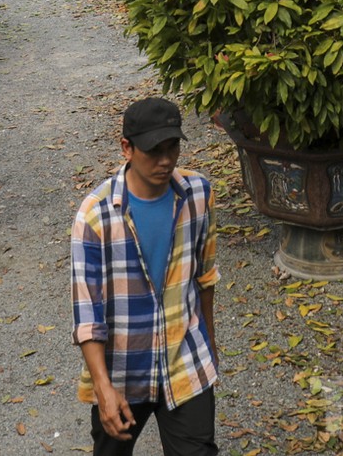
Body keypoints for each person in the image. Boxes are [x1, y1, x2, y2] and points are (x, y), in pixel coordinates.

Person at [71, 97, 220, 456]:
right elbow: (87, 315)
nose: (165, 160)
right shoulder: (95, 216)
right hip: (121, 374)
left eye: (173, 147)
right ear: (127, 148)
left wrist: (210, 350)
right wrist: (104, 390)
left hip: (185, 363)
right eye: (154, 150)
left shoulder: (198, 195)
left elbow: (205, 278)